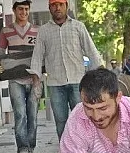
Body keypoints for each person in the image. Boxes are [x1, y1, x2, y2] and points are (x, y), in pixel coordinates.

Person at [30, 0, 103, 140]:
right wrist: (36, 80)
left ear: (66, 6)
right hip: (55, 83)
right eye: (54, 5)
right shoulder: (44, 31)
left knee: (83, 118)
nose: (57, 8)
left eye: (60, 4)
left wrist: (101, 73)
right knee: (61, 121)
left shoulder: (78, 27)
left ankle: (85, 149)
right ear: (49, 8)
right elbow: (37, 56)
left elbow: (91, 50)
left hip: (78, 82)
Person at [0, 0, 40, 153]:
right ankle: (22, 149)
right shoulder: (6, 31)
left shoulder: (37, 31)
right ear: (14, 10)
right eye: (20, 9)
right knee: (20, 114)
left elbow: (42, 54)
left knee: (33, 115)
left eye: (26, 9)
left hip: (35, 79)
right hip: (15, 79)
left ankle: (31, 148)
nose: (24, 12)